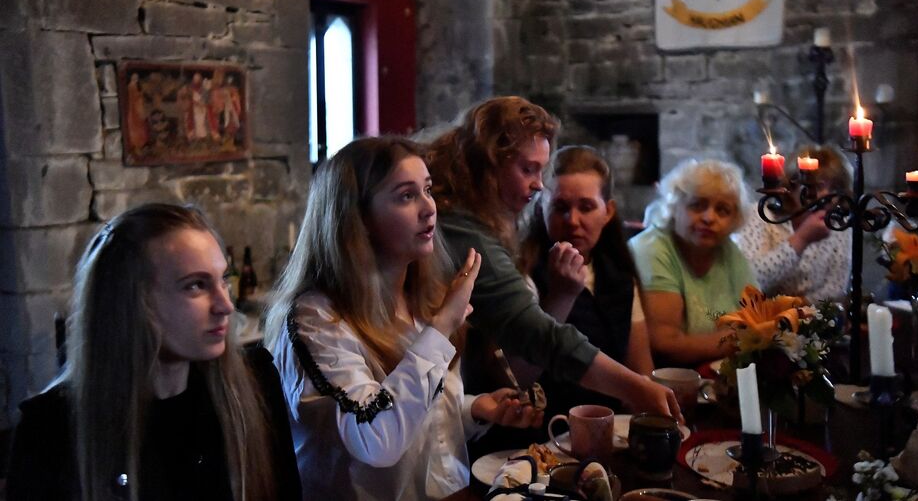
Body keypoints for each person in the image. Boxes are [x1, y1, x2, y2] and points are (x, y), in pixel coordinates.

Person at [265, 136, 542, 501]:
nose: (429, 208)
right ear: (358, 218)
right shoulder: (317, 319)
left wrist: (474, 408)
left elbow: (416, 413)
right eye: (406, 196)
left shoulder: (418, 295)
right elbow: (377, 439)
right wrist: (442, 327)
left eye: (427, 190)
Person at [7, 204, 300, 501]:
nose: (225, 305)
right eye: (196, 285)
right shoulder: (51, 431)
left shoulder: (254, 385)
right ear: (129, 302)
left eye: (223, 280)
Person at [426, 97, 678, 420]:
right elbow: (527, 349)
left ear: (609, 211)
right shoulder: (471, 233)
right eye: (528, 168)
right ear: (489, 164)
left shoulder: (616, 272)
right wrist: (635, 388)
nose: (538, 184)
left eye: (541, 170)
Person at [517, 145, 654, 419]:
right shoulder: (523, 272)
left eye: (587, 207)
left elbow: (641, 369)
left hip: (611, 424)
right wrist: (561, 296)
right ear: (540, 208)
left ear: (608, 211)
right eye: (560, 207)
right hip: (546, 426)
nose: (573, 221)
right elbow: (519, 375)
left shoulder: (619, 275)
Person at [628, 159, 757, 366]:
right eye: (697, 205)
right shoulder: (652, 248)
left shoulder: (728, 251)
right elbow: (665, 345)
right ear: (674, 206)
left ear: (734, 220)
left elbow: (757, 320)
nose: (709, 217)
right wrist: (739, 338)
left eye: (722, 210)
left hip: (718, 378)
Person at [733, 144, 852, 302]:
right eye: (817, 186)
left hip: (814, 319)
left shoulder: (838, 224)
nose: (827, 195)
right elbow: (750, 280)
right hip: (760, 319)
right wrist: (800, 240)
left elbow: (836, 287)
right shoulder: (761, 215)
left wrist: (798, 306)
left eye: (835, 188)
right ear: (791, 185)